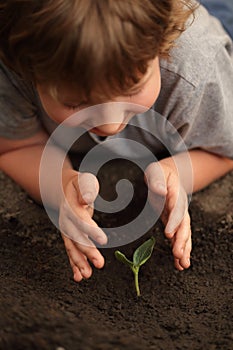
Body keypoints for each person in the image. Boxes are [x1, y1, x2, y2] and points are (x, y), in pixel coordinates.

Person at [0, 0, 233, 283]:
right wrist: (59, 186)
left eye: (133, 89)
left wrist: (177, 173)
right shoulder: (13, 62)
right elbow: (16, 146)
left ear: (160, 44)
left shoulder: (194, 73)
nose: (109, 125)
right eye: (75, 103)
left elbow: (225, 150)